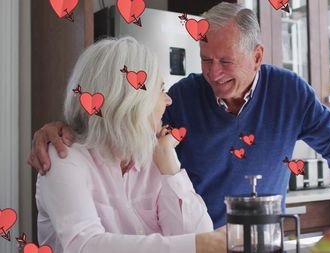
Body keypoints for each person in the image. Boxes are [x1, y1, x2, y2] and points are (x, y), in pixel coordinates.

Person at [30, 3, 330, 233]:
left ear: (257, 56)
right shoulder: (180, 98)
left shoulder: (290, 93)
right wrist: (66, 128)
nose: (213, 73)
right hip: (197, 244)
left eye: (226, 60)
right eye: (205, 59)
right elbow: (120, 120)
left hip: (259, 241)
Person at [34, 37, 225, 253]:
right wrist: (200, 244)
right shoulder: (64, 160)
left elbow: (199, 233)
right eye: (161, 90)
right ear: (131, 100)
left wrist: (170, 168)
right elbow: (84, 246)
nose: (168, 101)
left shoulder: (153, 156)